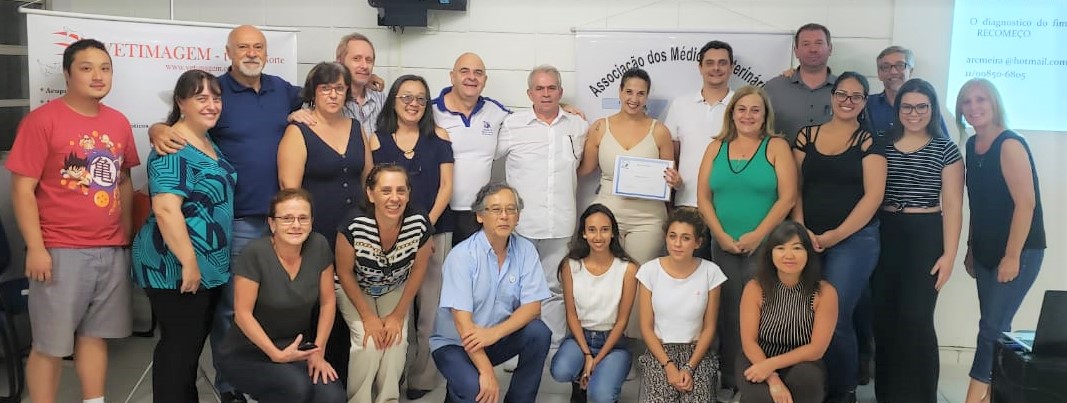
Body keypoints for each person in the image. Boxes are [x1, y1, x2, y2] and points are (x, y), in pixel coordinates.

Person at [149, 25, 305, 402]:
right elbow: (182, 121)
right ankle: (230, 385)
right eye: (243, 47)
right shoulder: (216, 91)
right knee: (231, 311)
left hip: (284, 223)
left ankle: (267, 376)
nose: (251, 53)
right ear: (229, 52)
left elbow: (326, 90)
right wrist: (157, 129)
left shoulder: (282, 90)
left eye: (258, 47)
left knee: (271, 306)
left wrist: (367, 81)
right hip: (236, 223)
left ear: (266, 52)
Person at [6, 38, 140, 403]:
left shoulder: (118, 122)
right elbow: (22, 189)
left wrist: (125, 231)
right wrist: (36, 247)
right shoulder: (41, 121)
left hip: (110, 248)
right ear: (67, 74)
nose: (98, 76)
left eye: (105, 68)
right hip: (59, 250)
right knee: (49, 344)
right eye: (87, 68)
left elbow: (122, 179)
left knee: (96, 336)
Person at [131, 69, 238, 403]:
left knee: (188, 348)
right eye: (201, 98)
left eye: (216, 98)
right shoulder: (173, 146)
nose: (211, 105)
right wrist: (189, 263)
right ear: (181, 102)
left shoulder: (205, 140)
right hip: (174, 264)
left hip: (206, 263)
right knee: (179, 349)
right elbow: (166, 209)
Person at [695, 85, 797, 397]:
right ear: (732, 114)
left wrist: (758, 235)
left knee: (760, 314)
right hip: (723, 244)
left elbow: (788, 197)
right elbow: (703, 197)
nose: (748, 115)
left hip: (765, 247)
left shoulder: (776, 146)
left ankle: (759, 376)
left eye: (755, 110)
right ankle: (730, 377)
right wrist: (721, 235)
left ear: (765, 115)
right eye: (741, 109)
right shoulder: (716, 148)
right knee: (727, 311)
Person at [791, 71, 886, 403]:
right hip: (807, 238)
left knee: (836, 315)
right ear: (832, 97)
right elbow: (794, 188)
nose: (848, 101)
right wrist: (800, 228)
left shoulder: (870, 141)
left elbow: (873, 197)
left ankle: (844, 391)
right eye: (842, 94)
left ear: (864, 102)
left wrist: (835, 235)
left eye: (856, 96)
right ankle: (813, 387)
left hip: (854, 240)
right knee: (805, 315)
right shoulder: (806, 136)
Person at [872, 78, 963, 403]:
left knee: (917, 318)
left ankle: (923, 396)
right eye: (907, 106)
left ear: (932, 109)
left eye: (921, 106)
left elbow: (953, 205)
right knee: (884, 318)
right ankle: (888, 394)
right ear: (898, 109)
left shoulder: (946, 149)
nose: (914, 113)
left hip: (925, 233)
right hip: (885, 231)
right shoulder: (881, 143)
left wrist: (949, 255)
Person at [957, 79, 1045, 403]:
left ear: (994, 103)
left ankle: (973, 397)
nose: (974, 107)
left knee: (991, 329)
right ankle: (993, 395)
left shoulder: (1010, 144)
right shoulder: (971, 146)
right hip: (984, 251)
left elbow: (1026, 204)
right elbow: (978, 202)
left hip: (1019, 251)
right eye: (967, 101)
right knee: (995, 327)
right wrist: (971, 247)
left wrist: (1012, 256)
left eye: (981, 99)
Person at [369, 74, 454, 399]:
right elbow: (371, 190)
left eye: (420, 98)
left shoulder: (440, 136)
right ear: (393, 101)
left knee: (430, 310)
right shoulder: (376, 140)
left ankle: (422, 377)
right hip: (388, 237)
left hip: (435, 232)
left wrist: (423, 229)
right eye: (406, 97)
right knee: (395, 309)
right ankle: (392, 377)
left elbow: (446, 187)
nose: (413, 104)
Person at [217, 189, 345, 403]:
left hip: (295, 345)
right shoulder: (255, 253)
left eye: (303, 218)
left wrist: (317, 351)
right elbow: (243, 314)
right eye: (287, 218)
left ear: (312, 222)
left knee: (333, 397)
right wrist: (275, 354)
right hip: (249, 350)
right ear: (272, 223)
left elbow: (328, 302)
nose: (296, 225)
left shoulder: (319, 246)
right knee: (296, 388)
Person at [430, 183, 552, 403]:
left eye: (511, 209)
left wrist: (494, 333)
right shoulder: (462, 256)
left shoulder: (525, 250)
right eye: (495, 210)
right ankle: (462, 385)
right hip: (456, 344)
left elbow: (533, 307)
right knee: (477, 389)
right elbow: (463, 325)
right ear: (480, 216)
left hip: (493, 338)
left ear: (518, 216)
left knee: (539, 332)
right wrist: (487, 373)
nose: (504, 216)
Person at [497, 64, 590, 350]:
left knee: (554, 289)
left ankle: (552, 350)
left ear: (560, 92)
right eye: (539, 88)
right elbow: (483, 157)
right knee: (515, 288)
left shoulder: (578, 126)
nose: (546, 94)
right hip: (521, 226)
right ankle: (514, 350)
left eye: (551, 88)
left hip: (560, 223)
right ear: (530, 94)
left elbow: (582, 165)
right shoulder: (512, 125)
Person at [333, 164, 434, 403]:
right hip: (355, 287)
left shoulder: (419, 221)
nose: (394, 198)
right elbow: (344, 273)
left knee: (395, 341)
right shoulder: (354, 223)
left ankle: (388, 399)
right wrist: (368, 317)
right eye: (386, 190)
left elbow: (419, 269)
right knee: (368, 343)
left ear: (408, 194)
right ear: (371, 194)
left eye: (401, 190)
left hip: (394, 287)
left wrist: (398, 315)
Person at [578, 68, 682, 265]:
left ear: (647, 96)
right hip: (607, 215)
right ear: (620, 92)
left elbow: (670, 177)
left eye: (640, 93)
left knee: (639, 273)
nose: (634, 99)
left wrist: (676, 181)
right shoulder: (600, 127)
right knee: (608, 274)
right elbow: (584, 169)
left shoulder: (660, 131)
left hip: (648, 219)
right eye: (629, 92)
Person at [737, 221, 838, 403]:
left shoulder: (825, 292)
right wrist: (772, 378)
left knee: (807, 380)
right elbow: (749, 342)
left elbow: (817, 349)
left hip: (803, 362)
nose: (789, 255)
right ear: (770, 253)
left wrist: (771, 365)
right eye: (781, 248)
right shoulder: (755, 287)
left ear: (808, 253)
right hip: (758, 357)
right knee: (761, 398)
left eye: (797, 248)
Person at [550, 204, 639, 403]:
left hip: (613, 342)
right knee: (560, 370)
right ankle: (580, 381)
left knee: (601, 396)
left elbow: (622, 321)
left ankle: (599, 379)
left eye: (604, 230)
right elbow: (571, 315)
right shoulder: (570, 265)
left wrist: (595, 360)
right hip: (580, 337)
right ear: (583, 233)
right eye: (592, 230)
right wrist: (586, 354)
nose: (598, 237)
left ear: (613, 233)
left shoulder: (628, 269)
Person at [636, 207, 726, 402]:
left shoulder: (711, 272)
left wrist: (689, 367)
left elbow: (709, 327)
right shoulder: (649, 271)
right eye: (673, 236)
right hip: (660, 352)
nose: (677, 244)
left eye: (685, 238)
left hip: (697, 352)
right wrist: (668, 366)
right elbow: (646, 327)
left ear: (698, 242)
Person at [431, 52, 512, 246]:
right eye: (464, 71)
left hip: (478, 213)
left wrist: (561, 107)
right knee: (438, 265)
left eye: (478, 73)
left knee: (476, 263)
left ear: (485, 80)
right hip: (439, 210)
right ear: (452, 76)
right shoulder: (430, 111)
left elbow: (530, 121)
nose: (471, 77)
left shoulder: (495, 111)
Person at [663, 40, 736, 211]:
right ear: (700, 68)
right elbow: (671, 155)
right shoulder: (680, 104)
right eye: (709, 63)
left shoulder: (741, 106)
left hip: (728, 203)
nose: (716, 68)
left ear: (731, 67)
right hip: (687, 202)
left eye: (722, 63)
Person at [764, 23, 837, 143]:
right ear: (796, 51)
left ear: (830, 49)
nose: (813, 49)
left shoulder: (845, 90)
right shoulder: (773, 88)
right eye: (806, 44)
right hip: (782, 155)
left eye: (819, 43)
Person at [865, 46, 950, 137]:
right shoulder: (867, 104)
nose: (893, 71)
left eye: (900, 65)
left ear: (910, 71)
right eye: (886, 67)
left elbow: (943, 142)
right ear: (879, 73)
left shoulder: (926, 107)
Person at [336, 33, 386, 136]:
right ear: (340, 62)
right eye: (356, 58)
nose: (364, 66)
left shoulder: (381, 100)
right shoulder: (327, 99)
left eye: (369, 60)